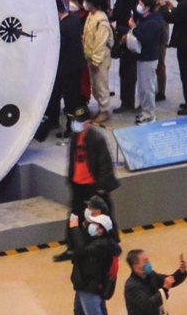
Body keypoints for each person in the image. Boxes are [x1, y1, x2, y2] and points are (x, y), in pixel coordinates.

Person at [53, 107, 120, 262]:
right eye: (76, 121)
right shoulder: (75, 137)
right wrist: (71, 178)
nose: (77, 124)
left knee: (103, 216)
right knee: (74, 216)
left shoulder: (96, 138)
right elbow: (72, 159)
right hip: (78, 184)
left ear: (88, 122)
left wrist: (102, 185)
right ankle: (72, 247)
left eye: (80, 121)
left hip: (93, 185)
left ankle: (112, 244)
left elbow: (105, 162)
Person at [37, 0, 85, 141]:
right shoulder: (75, 20)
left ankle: (72, 128)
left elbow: (59, 48)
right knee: (72, 97)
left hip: (65, 68)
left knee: (69, 100)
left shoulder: (61, 28)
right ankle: (61, 122)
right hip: (77, 65)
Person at [68, 207, 121, 315]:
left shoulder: (100, 246)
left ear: (101, 229)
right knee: (79, 312)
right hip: (86, 285)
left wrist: (74, 228)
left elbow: (82, 249)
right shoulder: (97, 241)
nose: (90, 225)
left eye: (94, 224)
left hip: (90, 287)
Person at [128, 0, 164, 124]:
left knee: (147, 87)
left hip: (149, 58)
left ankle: (150, 114)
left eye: (141, 4)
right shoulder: (145, 18)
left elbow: (145, 38)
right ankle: (145, 111)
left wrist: (134, 28)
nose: (139, 5)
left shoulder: (154, 22)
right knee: (142, 88)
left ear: (147, 8)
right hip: (142, 57)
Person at [122, 249, 187, 315]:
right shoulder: (131, 286)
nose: (148, 263)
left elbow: (168, 280)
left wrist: (181, 272)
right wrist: (165, 289)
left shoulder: (151, 275)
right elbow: (149, 305)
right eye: (145, 261)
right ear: (136, 267)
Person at [82, 0, 114, 124]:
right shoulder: (91, 15)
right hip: (90, 56)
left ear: (90, 4)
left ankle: (105, 110)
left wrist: (95, 61)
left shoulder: (102, 20)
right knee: (94, 85)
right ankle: (101, 108)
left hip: (100, 59)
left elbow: (100, 43)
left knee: (101, 85)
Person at [112, 0, 141, 112]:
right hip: (121, 36)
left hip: (131, 38)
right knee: (124, 71)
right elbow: (116, 14)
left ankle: (130, 102)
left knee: (130, 71)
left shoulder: (138, 0)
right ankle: (125, 100)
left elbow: (137, 23)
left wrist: (123, 30)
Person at [145, 0, 171, 102]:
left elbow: (165, 20)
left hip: (160, 38)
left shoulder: (161, 2)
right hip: (151, 35)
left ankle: (161, 91)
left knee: (160, 64)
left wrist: (163, 6)